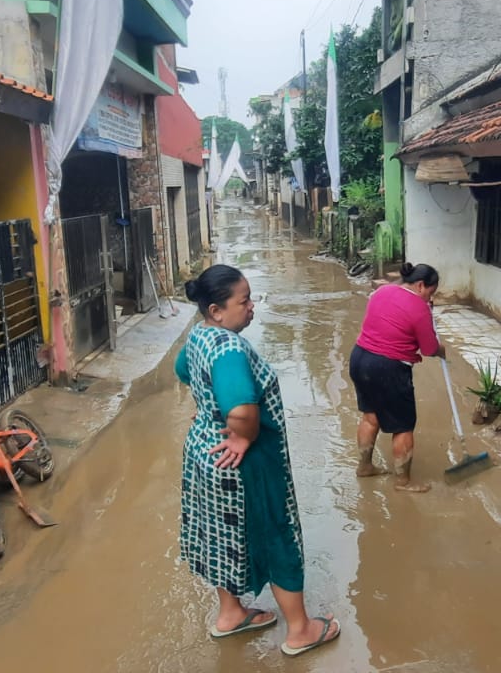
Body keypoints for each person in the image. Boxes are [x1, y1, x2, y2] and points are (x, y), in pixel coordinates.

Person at [174, 265, 340, 657]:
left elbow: (184, 371)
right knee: (276, 535)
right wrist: (243, 434)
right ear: (217, 310)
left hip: (205, 454)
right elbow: (242, 408)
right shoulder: (229, 349)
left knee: (221, 534)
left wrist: (211, 411)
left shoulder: (199, 335)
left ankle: (230, 613)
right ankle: (300, 629)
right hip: (243, 462)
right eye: (244, 301)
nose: (251, 307)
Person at [350, 262, 446, 493]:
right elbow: (429, 348)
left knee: (370, 417)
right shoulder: (419, 308)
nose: (429, 299)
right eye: (430, 293)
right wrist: (441, 350)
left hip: (359, 358)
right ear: (421, 285)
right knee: (403, 426)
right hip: (388, 368)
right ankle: (403, 482)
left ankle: (364, 466)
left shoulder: (382, 291)